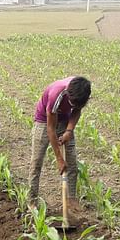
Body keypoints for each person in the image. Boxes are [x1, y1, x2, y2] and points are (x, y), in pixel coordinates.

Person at [28, 76, 92, 215]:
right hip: (44, 121)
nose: (74, 105)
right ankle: (32, 201)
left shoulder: (82, 92)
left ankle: (71, 200)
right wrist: (58, 158)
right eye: (72, 102)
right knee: (36, 161)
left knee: (72, 162)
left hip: (65, 120)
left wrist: (69, 130)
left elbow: (76, 110)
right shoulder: (56, 94)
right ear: (68, 93)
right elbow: (51, 128)